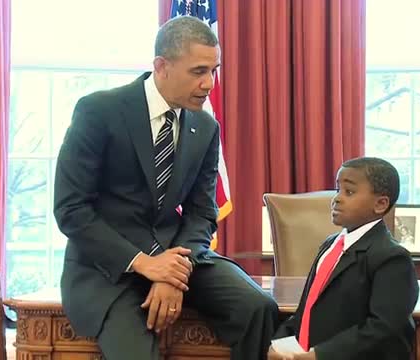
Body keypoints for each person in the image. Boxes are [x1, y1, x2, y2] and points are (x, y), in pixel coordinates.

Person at [54, 16, 279, 360]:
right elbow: (71, 210)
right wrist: (144, 263)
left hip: (180, 256)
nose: (209, 83)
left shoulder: (205, 126)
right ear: (162, 66)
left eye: (214, 70)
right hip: (109, 268)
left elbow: (203, 213)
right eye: (198, 71)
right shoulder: (98, 111)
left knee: (258, 307)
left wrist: (173, 272)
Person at [268, 157, 419, 360]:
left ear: (380, 204)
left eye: (349, 192)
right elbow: (305, 313)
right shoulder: (329, 246)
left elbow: (384, 330)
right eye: (337, 189)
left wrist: (320, 355)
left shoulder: (392, 258)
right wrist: (277, 344)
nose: (336, 198)